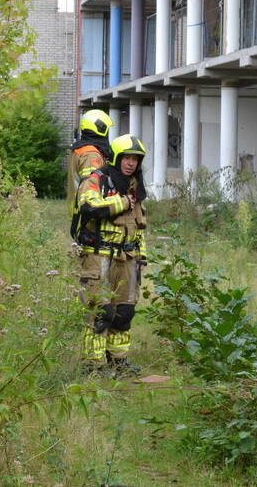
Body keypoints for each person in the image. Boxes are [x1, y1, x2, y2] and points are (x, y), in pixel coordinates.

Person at [72, 133, 148, 374]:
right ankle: (93, 367)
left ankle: (119, 363)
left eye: (136, 159)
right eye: (126, 158)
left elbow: (139, 227)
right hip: (98, 256)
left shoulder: (135, 186)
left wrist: (142, 255)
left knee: (124, 312)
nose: (131, 163)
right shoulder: (97, 179)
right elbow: (89, 205)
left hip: (127, 259)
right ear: (116, 157)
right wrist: (121, 202)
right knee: (100, 312)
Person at [66, 109, 113, 210]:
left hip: (78, 209)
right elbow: (91, 187)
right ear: (101, 128)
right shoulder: (91, 155)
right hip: (87, 215)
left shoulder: (80, 149)